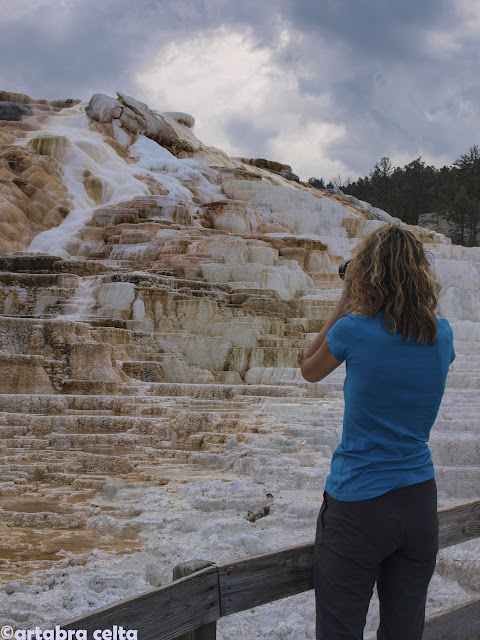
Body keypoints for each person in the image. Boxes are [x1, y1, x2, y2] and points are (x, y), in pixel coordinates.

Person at [300, 223, 456, 640]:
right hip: (419, 501)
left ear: (368, 274)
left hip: (359, 504)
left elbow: (308, 368)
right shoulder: (443, 337)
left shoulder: (353, 330)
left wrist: (345, 300)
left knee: (340, 629)